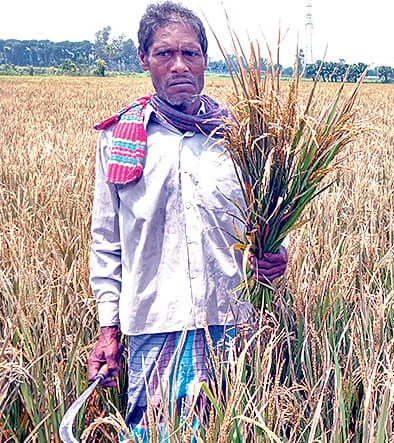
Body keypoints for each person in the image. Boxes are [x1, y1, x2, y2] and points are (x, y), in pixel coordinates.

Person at [85, 1, 287, 439]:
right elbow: (106, 242)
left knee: (232, 430)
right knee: (153, 433)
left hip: (231, 324)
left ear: (205, 60)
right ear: (144, 60)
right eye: (164, 54)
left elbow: (266, 225)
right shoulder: (119, 138)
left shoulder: (243, 137)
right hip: (154, 324)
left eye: (190, 53)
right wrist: (108, 329)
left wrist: (275, 256)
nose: (179, 65)